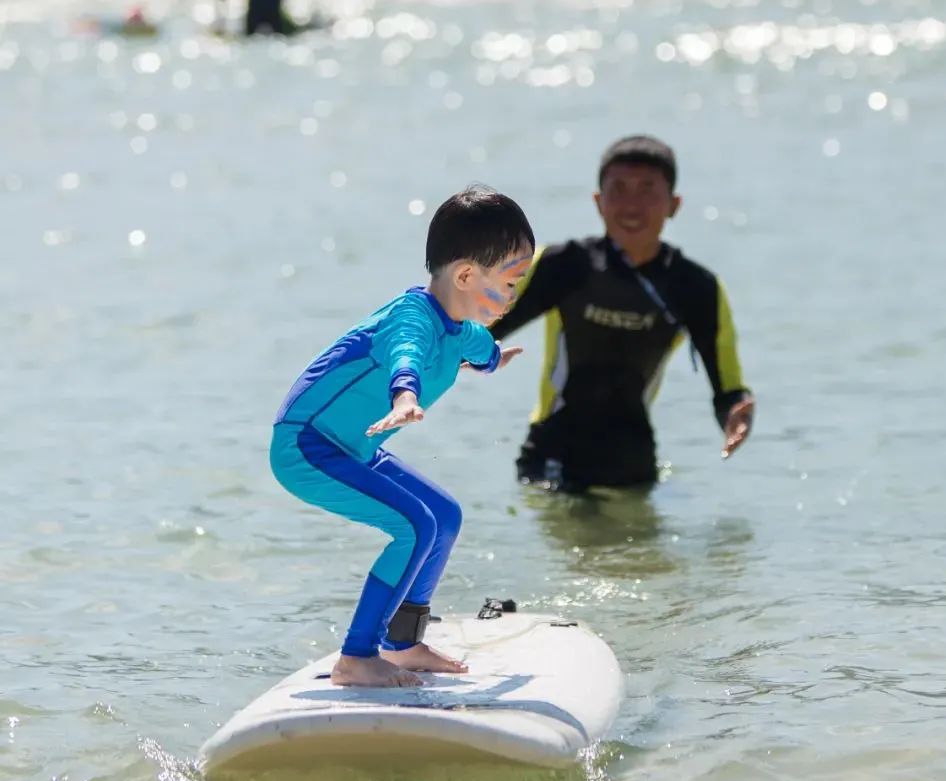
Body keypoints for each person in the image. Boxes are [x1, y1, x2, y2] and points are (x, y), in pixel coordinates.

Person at [270, 186, 534, 688]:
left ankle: (403, 643)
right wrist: (405, 397)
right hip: (306, 444)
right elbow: (406, 356)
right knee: (414, 525)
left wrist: (498, 360)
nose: (516, 292)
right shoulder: (411, 319)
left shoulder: (461, 329)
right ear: (464, 275)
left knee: (444, 517)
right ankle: (357, 656)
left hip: (351, 445)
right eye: (511, 280)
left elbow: (481, 352)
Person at [491, 135, 754, 492]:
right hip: (552, 456)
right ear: (598, 202)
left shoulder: (695, 288)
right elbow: (483, 328)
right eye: (619, 189)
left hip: (634, 461)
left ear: (674, 204)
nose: (632, 205)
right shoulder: (563, 266)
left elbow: (728, 390)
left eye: (647, 190)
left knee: (636, 549)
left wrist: (736, 417)